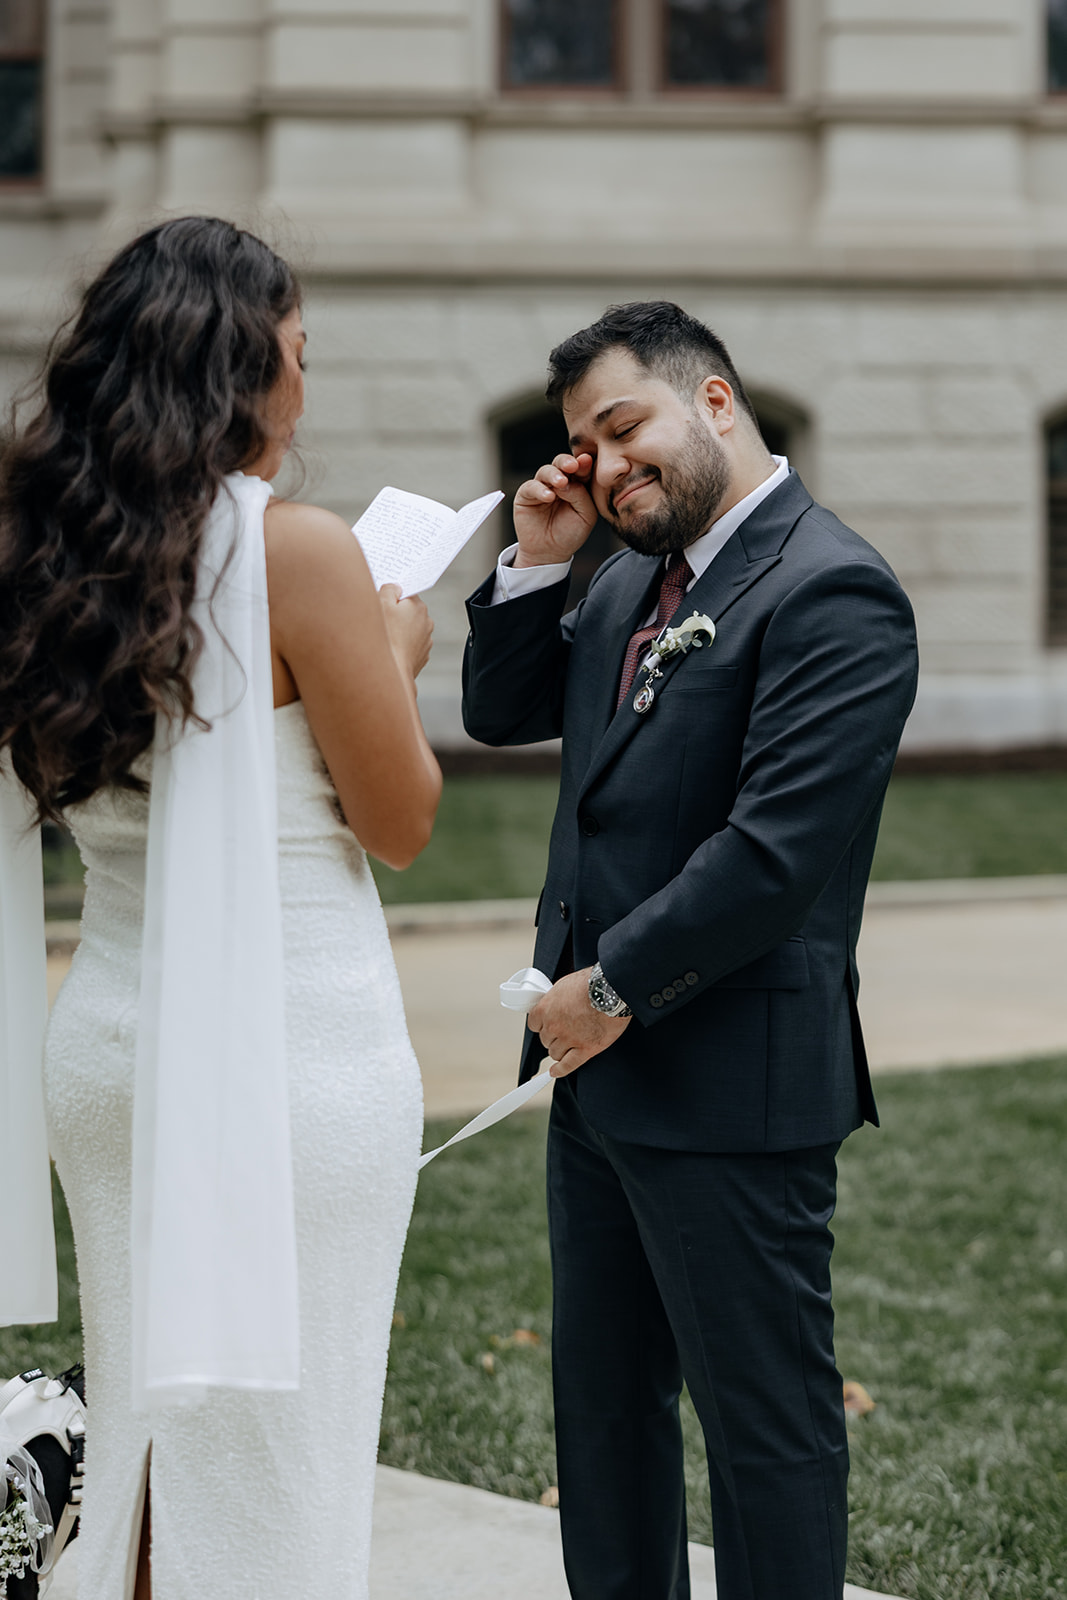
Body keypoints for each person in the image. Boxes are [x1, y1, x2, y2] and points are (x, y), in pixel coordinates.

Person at [0, 217, 441, 1599]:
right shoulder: (298, 555)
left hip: (114, 1049)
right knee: (281, 1450)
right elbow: (403, 820)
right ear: (245, 376)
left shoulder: (32, 543)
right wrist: (397, 643)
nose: (308, 392)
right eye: (300, 359)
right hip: (290, 1063)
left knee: (146, 1430)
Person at [462, 302, 919, 1600]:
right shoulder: (618, 585)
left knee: (765, 1430)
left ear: (713, 399)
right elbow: (500, 713)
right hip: (597, 1081)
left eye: (625, 428)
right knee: (604, 1417)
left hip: (731, 1084)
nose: (606, 465)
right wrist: (538, 563)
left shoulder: (833, 587)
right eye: (587, 447)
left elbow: (775, 857)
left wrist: (607, 990)